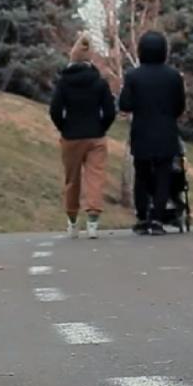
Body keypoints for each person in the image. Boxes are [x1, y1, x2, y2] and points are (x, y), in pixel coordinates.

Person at [118, 30, 186, 235]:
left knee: (142, 175)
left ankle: (142, 216)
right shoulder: (174, 77)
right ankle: (157, 218)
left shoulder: (133, 76)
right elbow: (179, 107)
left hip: (142, 132)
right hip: (166, 132)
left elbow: (125, 104)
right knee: (164, 176)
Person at [49, 33, 116, 238]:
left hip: (71, 136)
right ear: (89, 60)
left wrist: (64, 127)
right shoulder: (99, 82)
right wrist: (101, 127)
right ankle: (93, 223)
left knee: (72, 180)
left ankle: (72, 221)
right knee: (95, 178)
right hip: (95, 135)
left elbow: (55, 110)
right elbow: (110, 111)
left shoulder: (63, 83)